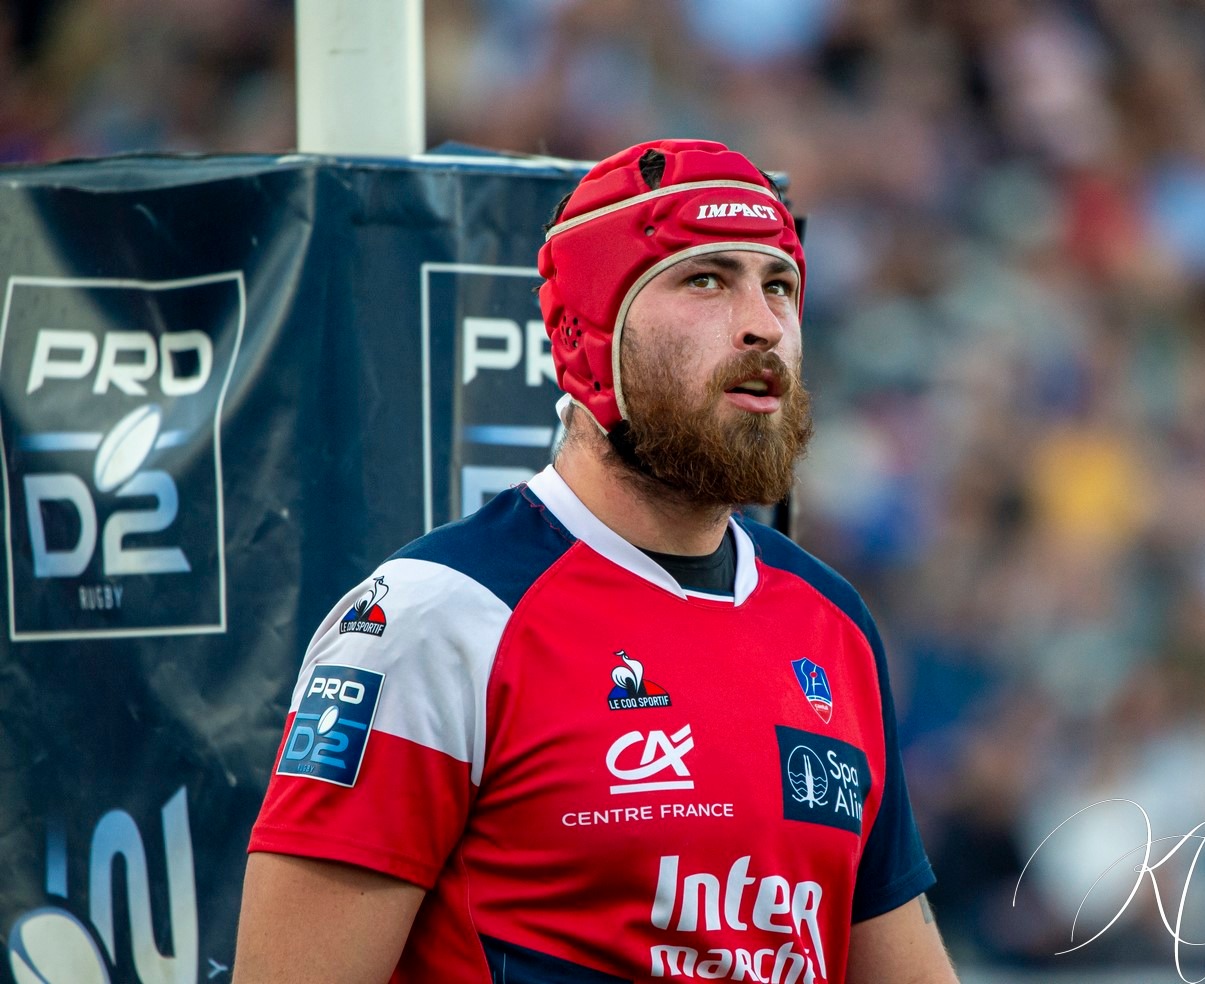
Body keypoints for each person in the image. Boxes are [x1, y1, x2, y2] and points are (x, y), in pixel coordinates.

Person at [235, 138, 958, 984]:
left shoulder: (831, 622)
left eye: (781, 285)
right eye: (706, 279)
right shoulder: (437, 617)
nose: (764, 322)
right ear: (590, 336)